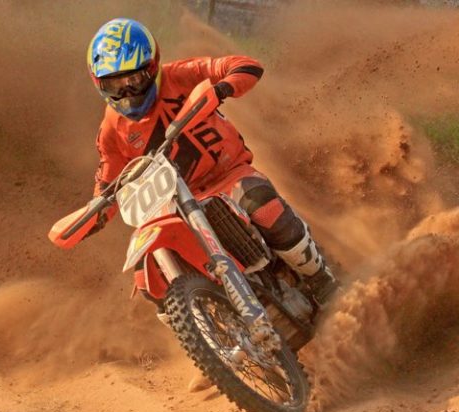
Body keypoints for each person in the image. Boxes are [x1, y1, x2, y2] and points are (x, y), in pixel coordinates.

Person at [84, 18, 338, 325]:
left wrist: (222, 87)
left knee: (264, 208)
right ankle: (207, 336)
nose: (127, 91)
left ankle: (322, 281)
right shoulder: (111, 129)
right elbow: (108, 178)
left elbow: (245, 65)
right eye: (115, 85)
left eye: (134, 79)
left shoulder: (179, 75)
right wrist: (96, 211)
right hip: (172, 205)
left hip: (227, 175)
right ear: (99, 84)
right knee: (147, 276)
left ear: (152, 67)